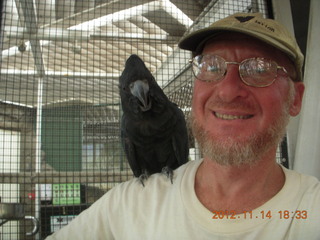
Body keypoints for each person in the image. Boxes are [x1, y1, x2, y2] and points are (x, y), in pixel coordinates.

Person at [46, 12, 320, 239]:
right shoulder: (126, 206)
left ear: (295, 99)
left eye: (260, 69)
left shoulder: (312, 211)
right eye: (212, 66)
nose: (227, 91)